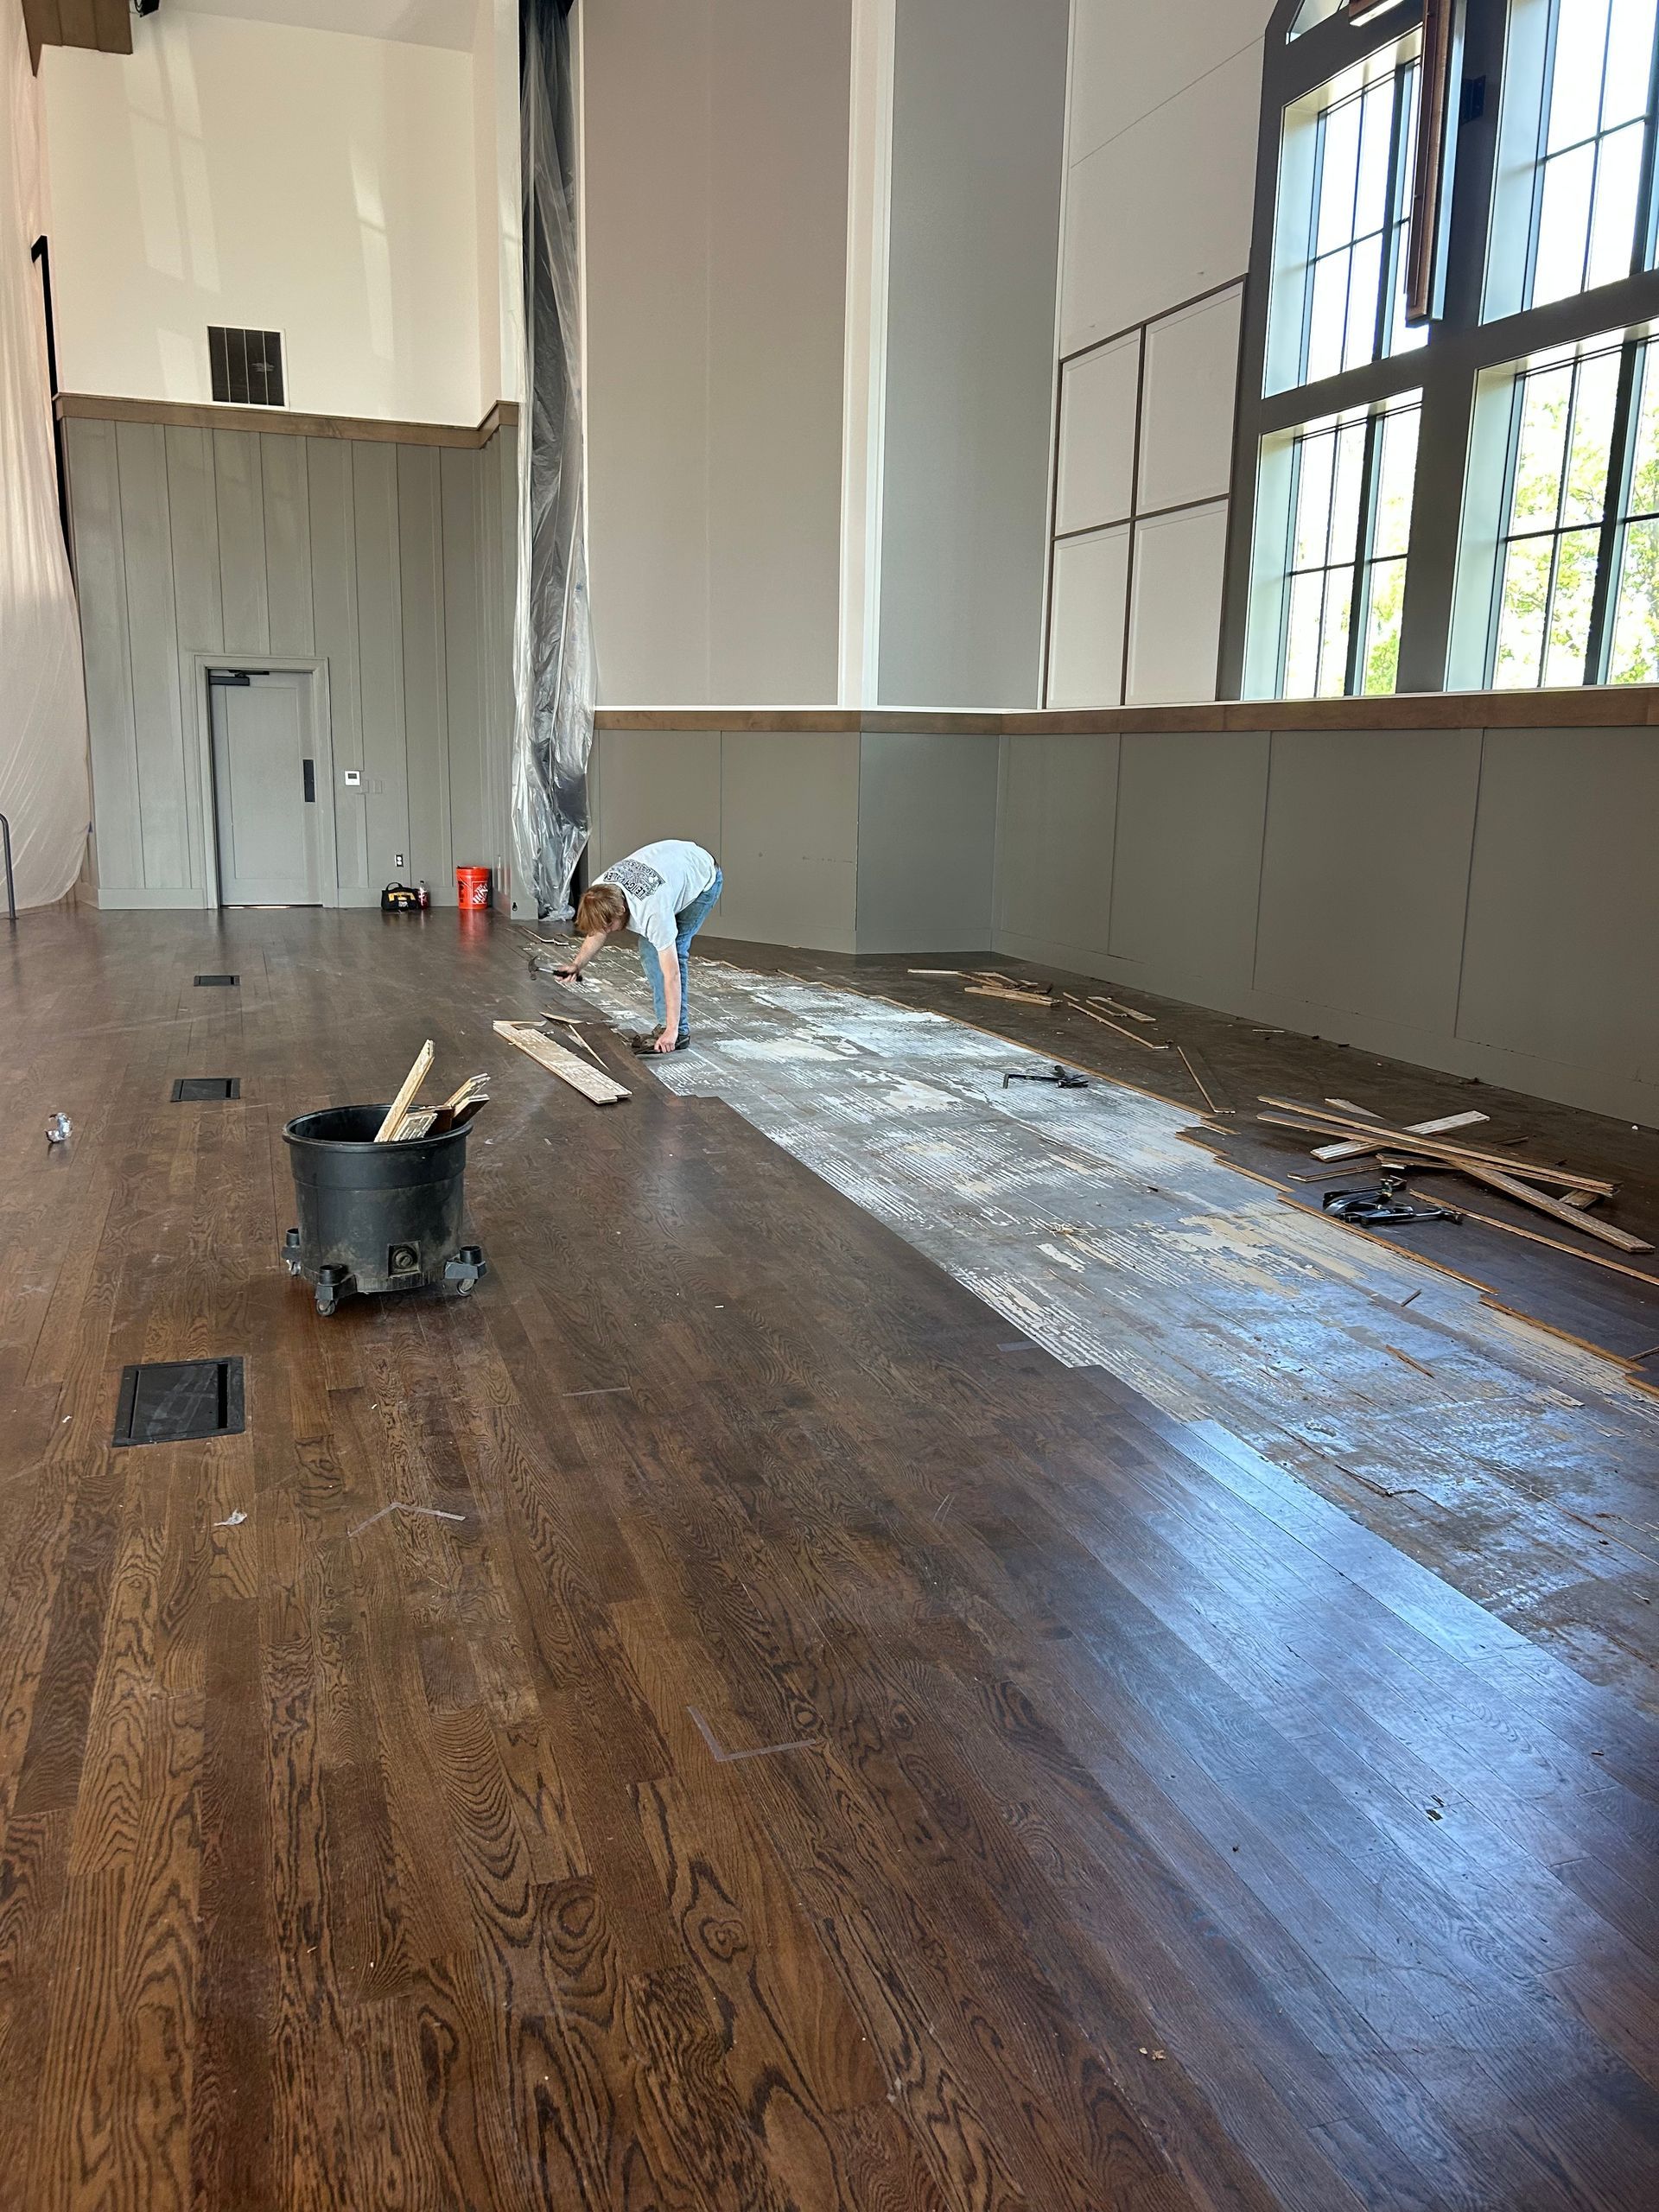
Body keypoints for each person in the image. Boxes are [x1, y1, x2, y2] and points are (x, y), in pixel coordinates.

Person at [556, 839, 722, 1052]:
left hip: (704, 878)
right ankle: (670, 1025)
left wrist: (671, 1030)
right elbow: (598, 930)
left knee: (671, 950)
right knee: (650, 948)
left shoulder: (651, 911)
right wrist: (577, 964)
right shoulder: (600, 891)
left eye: (609, 926)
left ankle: (677, 1032)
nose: (606, 932)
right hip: (675, 868)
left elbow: (671, 974)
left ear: (622, 910)